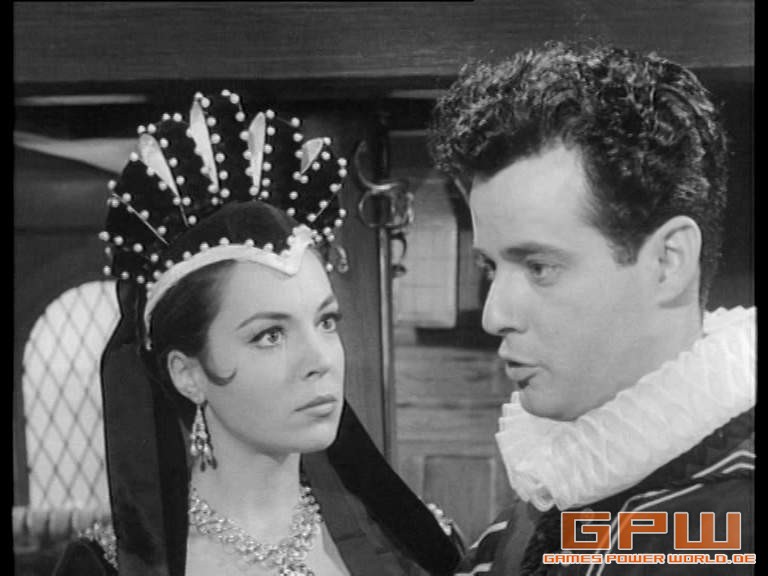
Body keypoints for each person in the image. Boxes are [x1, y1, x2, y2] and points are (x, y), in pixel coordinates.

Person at [54, 90, 462, 576]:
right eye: (269, 335)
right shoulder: (114, 569)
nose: (319, 360)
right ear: (188, 374)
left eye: (326, 322)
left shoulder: (414, 548)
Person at [428, 41, 754, 575]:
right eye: (490, 267)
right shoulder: (536, 513)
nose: (494, 315)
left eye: (539, 267)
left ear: (668, 261)